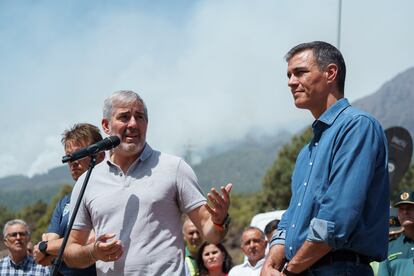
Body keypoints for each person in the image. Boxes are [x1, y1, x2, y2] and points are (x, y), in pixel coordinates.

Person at [64, 90, 232, 276]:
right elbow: (70, 252)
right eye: (124, 117)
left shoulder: (174, 168)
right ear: (106, 125)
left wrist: (219, 221)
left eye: (140, 117)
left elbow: (211, 233)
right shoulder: (88, 181)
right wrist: (93, 252)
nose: (133, 124)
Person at [261, 41, 389, 276]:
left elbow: (336, 218)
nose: (290, 82)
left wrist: (291, 270)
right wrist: (272, 259)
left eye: (300, 72)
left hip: (340, 268)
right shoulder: (306, 152)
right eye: (288, 75)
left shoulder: (357, 127)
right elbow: (292, 214)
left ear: (330, 73)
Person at [33, 123, 104, 275]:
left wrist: (46, 247)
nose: (73, 161)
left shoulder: (109, 194)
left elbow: (92, 240)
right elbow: (43, 258)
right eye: (69, 156)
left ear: (100, 156)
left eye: (79, 154)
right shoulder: (64, 202)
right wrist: (50, 248)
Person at [378, 191, 414, 275]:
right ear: (398, 214)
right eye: (401, 209)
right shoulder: (389, 247)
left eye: (409, 208)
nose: (405, 212)